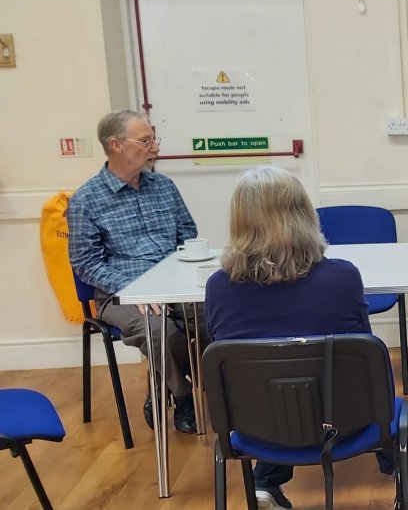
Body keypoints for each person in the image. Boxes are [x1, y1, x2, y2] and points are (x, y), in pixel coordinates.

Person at [205, 166, 374, 510]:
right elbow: (364, 360)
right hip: (344, 420)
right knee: (368, 388)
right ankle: (397, 473)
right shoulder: (342, 277)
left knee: (273, 384)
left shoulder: (219, 288)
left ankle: (265, 481)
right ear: (304, 214)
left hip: (254, 425)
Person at [68, 109, 207, 434]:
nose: (154, 146)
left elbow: (187, 233)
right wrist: (138, 291)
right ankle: (183, 395)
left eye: (153, 139)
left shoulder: (164, 186)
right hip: (121, 293)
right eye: (145, 140)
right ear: (116, 145)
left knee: (218, 318)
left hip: (175, 283)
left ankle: (172, 384)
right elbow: (86, 264)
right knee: (161, 332)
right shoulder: (86, 200)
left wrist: (176, 280)